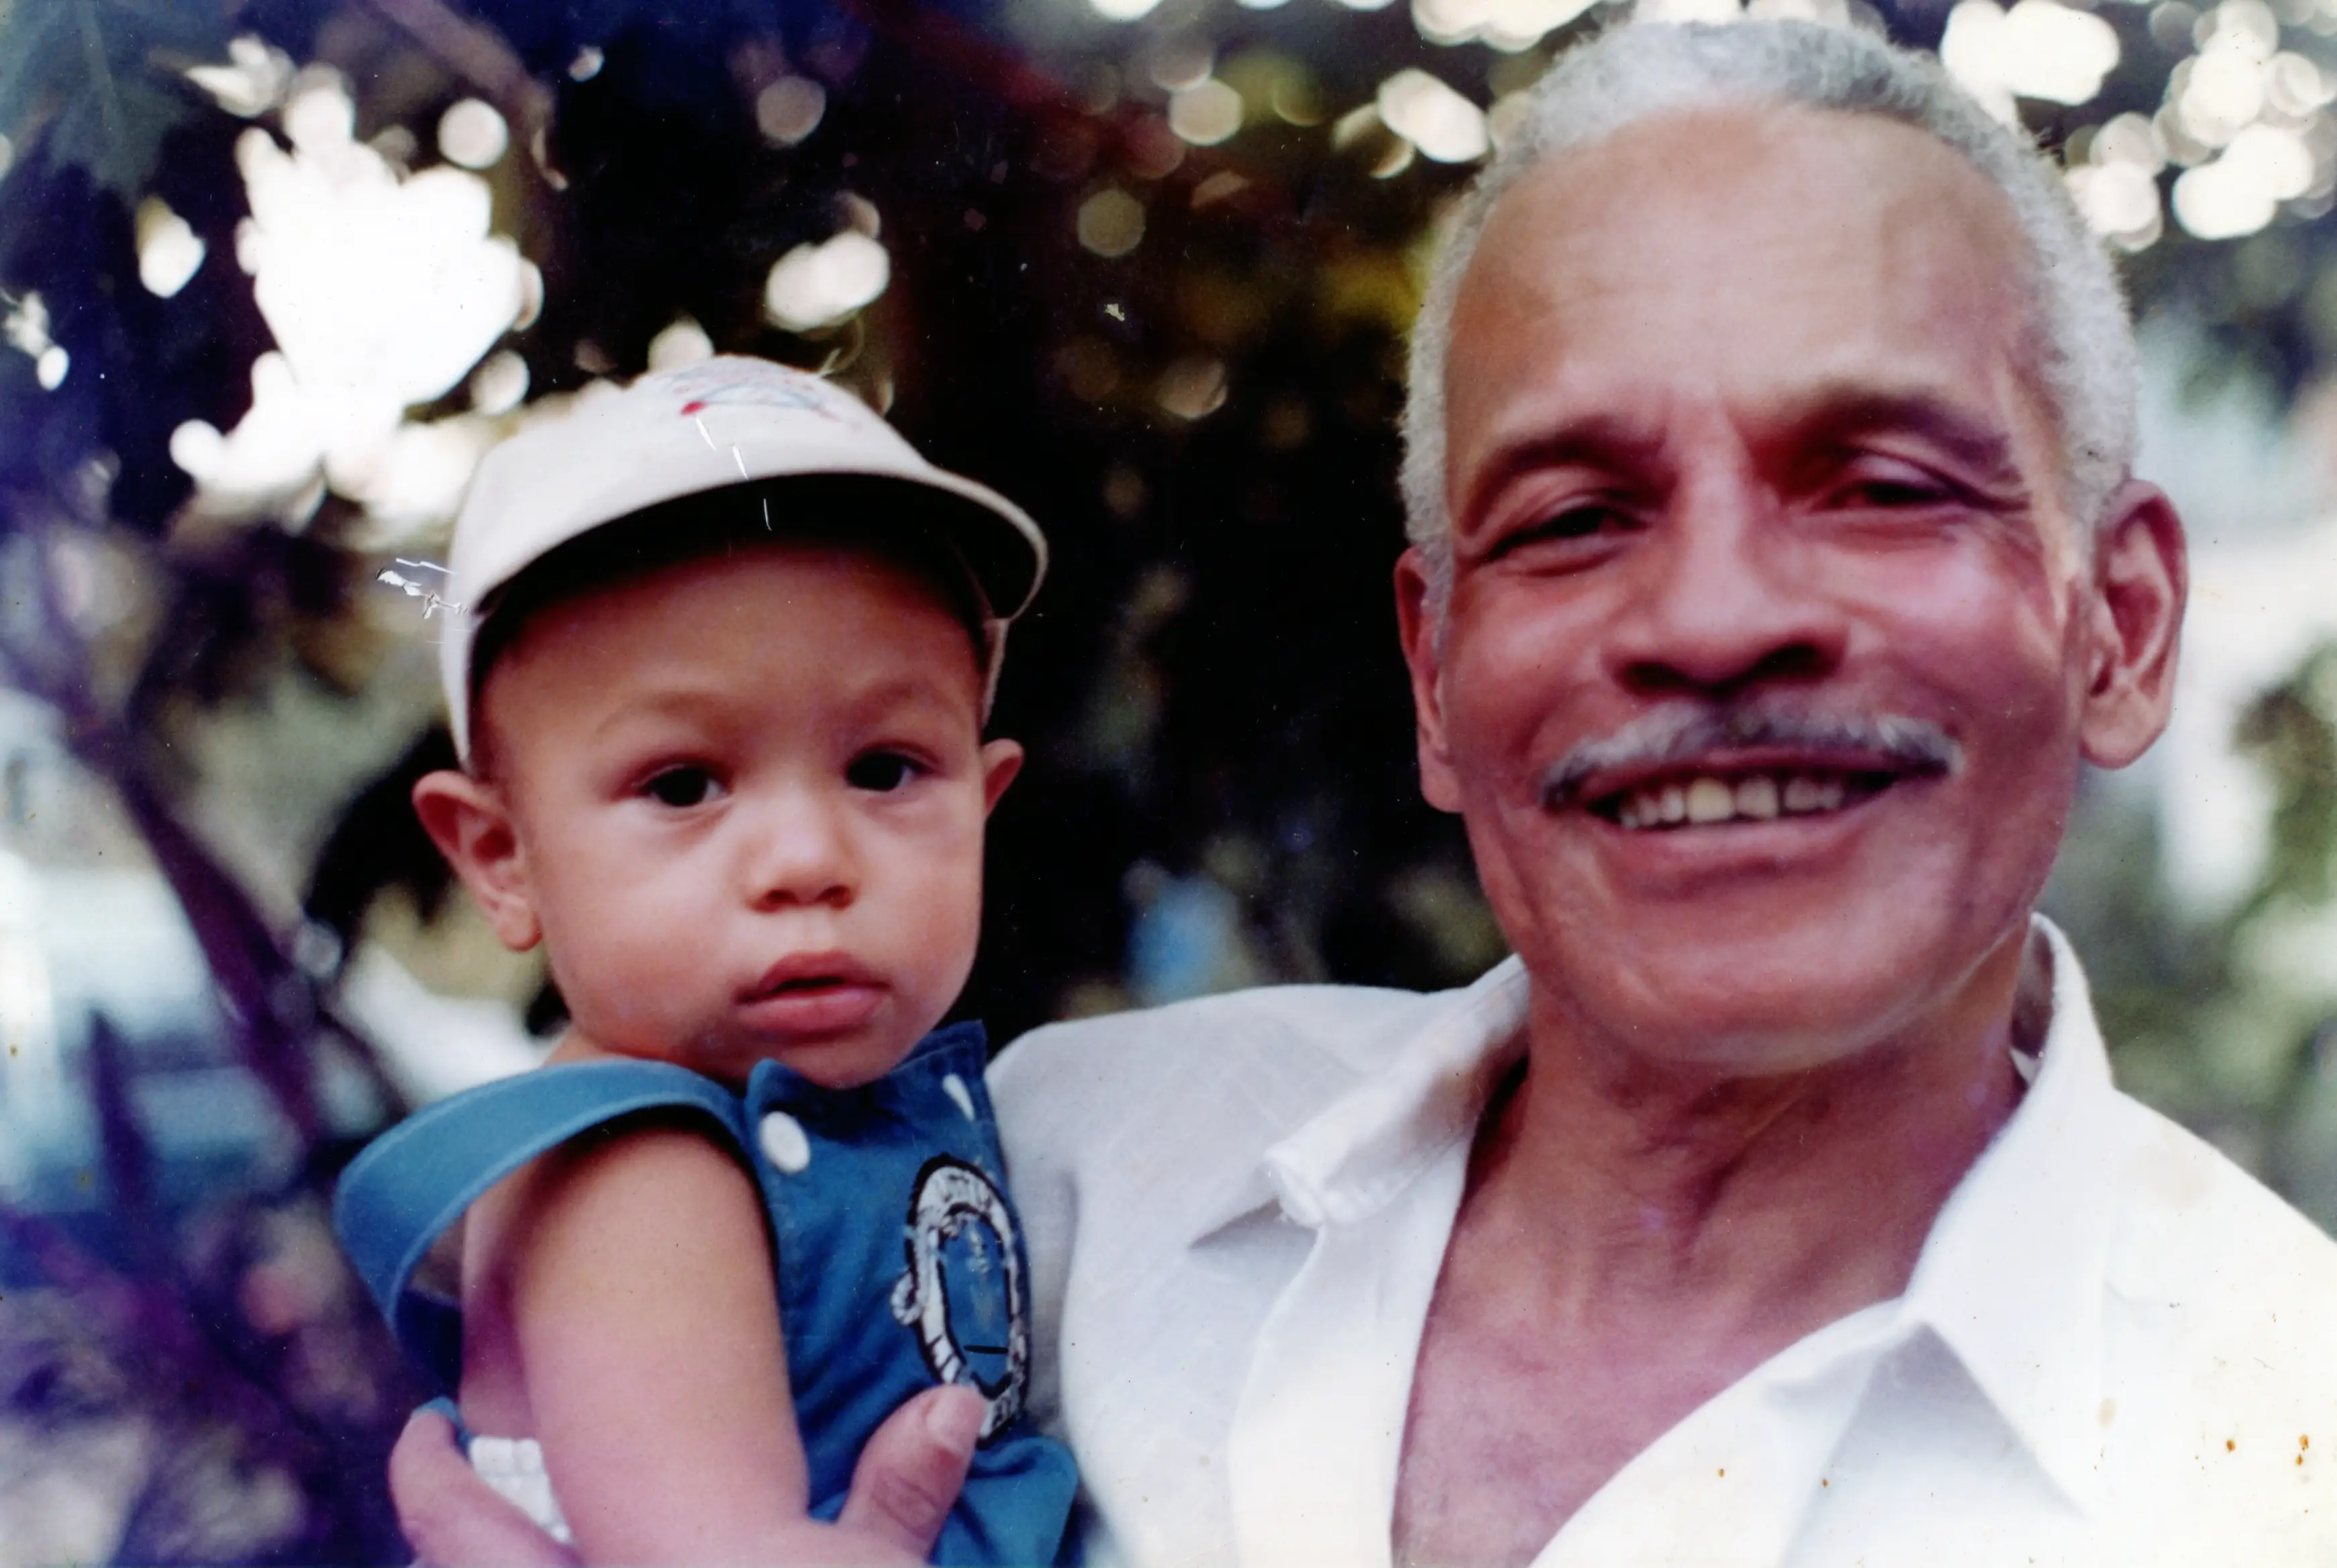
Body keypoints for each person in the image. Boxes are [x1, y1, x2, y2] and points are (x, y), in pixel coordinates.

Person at [390, 20, 2337, 1567]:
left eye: (1887, 485)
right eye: (1574, 519)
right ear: (1431, 674)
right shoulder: (1048, 1179)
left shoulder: (2284, 1454)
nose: (1720, 618)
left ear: (2123, 626)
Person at [334, 356, 1078, 1565]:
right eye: (682, 784)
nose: (804, 859)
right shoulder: (642, 1170)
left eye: (885, 768)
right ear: (501, 857)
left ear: (985, 801)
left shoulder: (835, 1121)